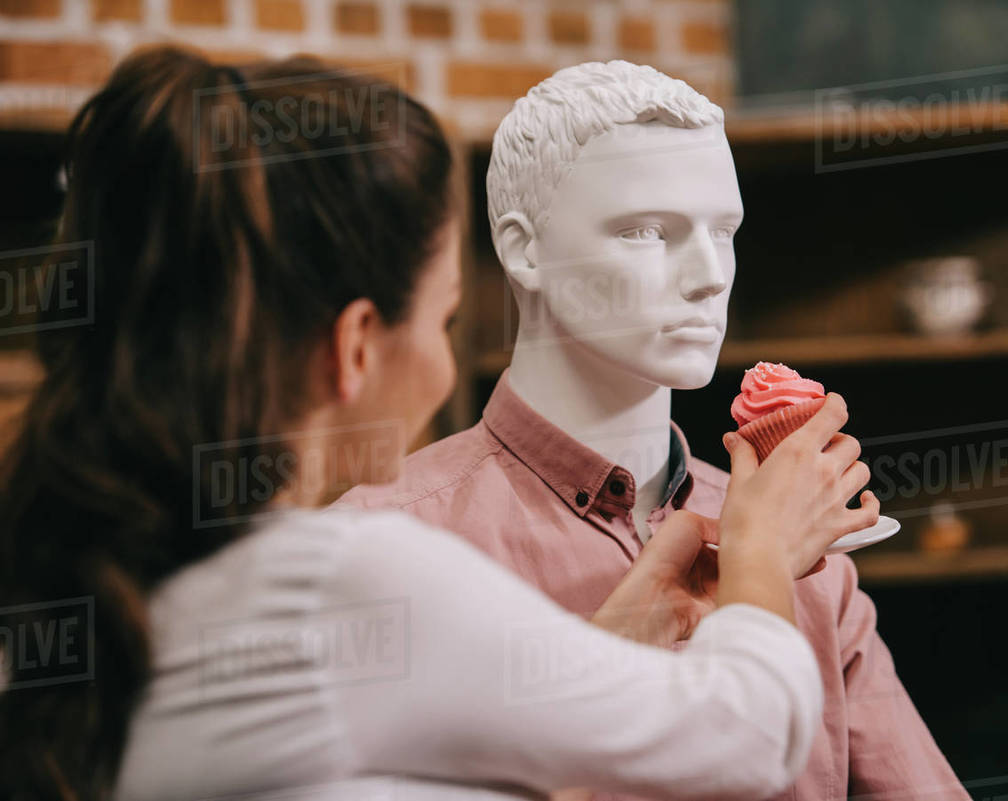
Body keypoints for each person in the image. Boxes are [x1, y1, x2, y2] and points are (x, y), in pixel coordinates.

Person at [0, 47, 875, 801]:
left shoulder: (143, 583)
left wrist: (611, 643)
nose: (706, 274)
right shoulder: (356, 575)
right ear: (356, 345)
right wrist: (761, 550)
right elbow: (749, 735)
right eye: (445, 318)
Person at [340, 61, 968, 801]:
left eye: (724, 231)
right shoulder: (381, 549)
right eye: (647, 231)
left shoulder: (804, 548)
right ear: (525, 249)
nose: (710, 276)